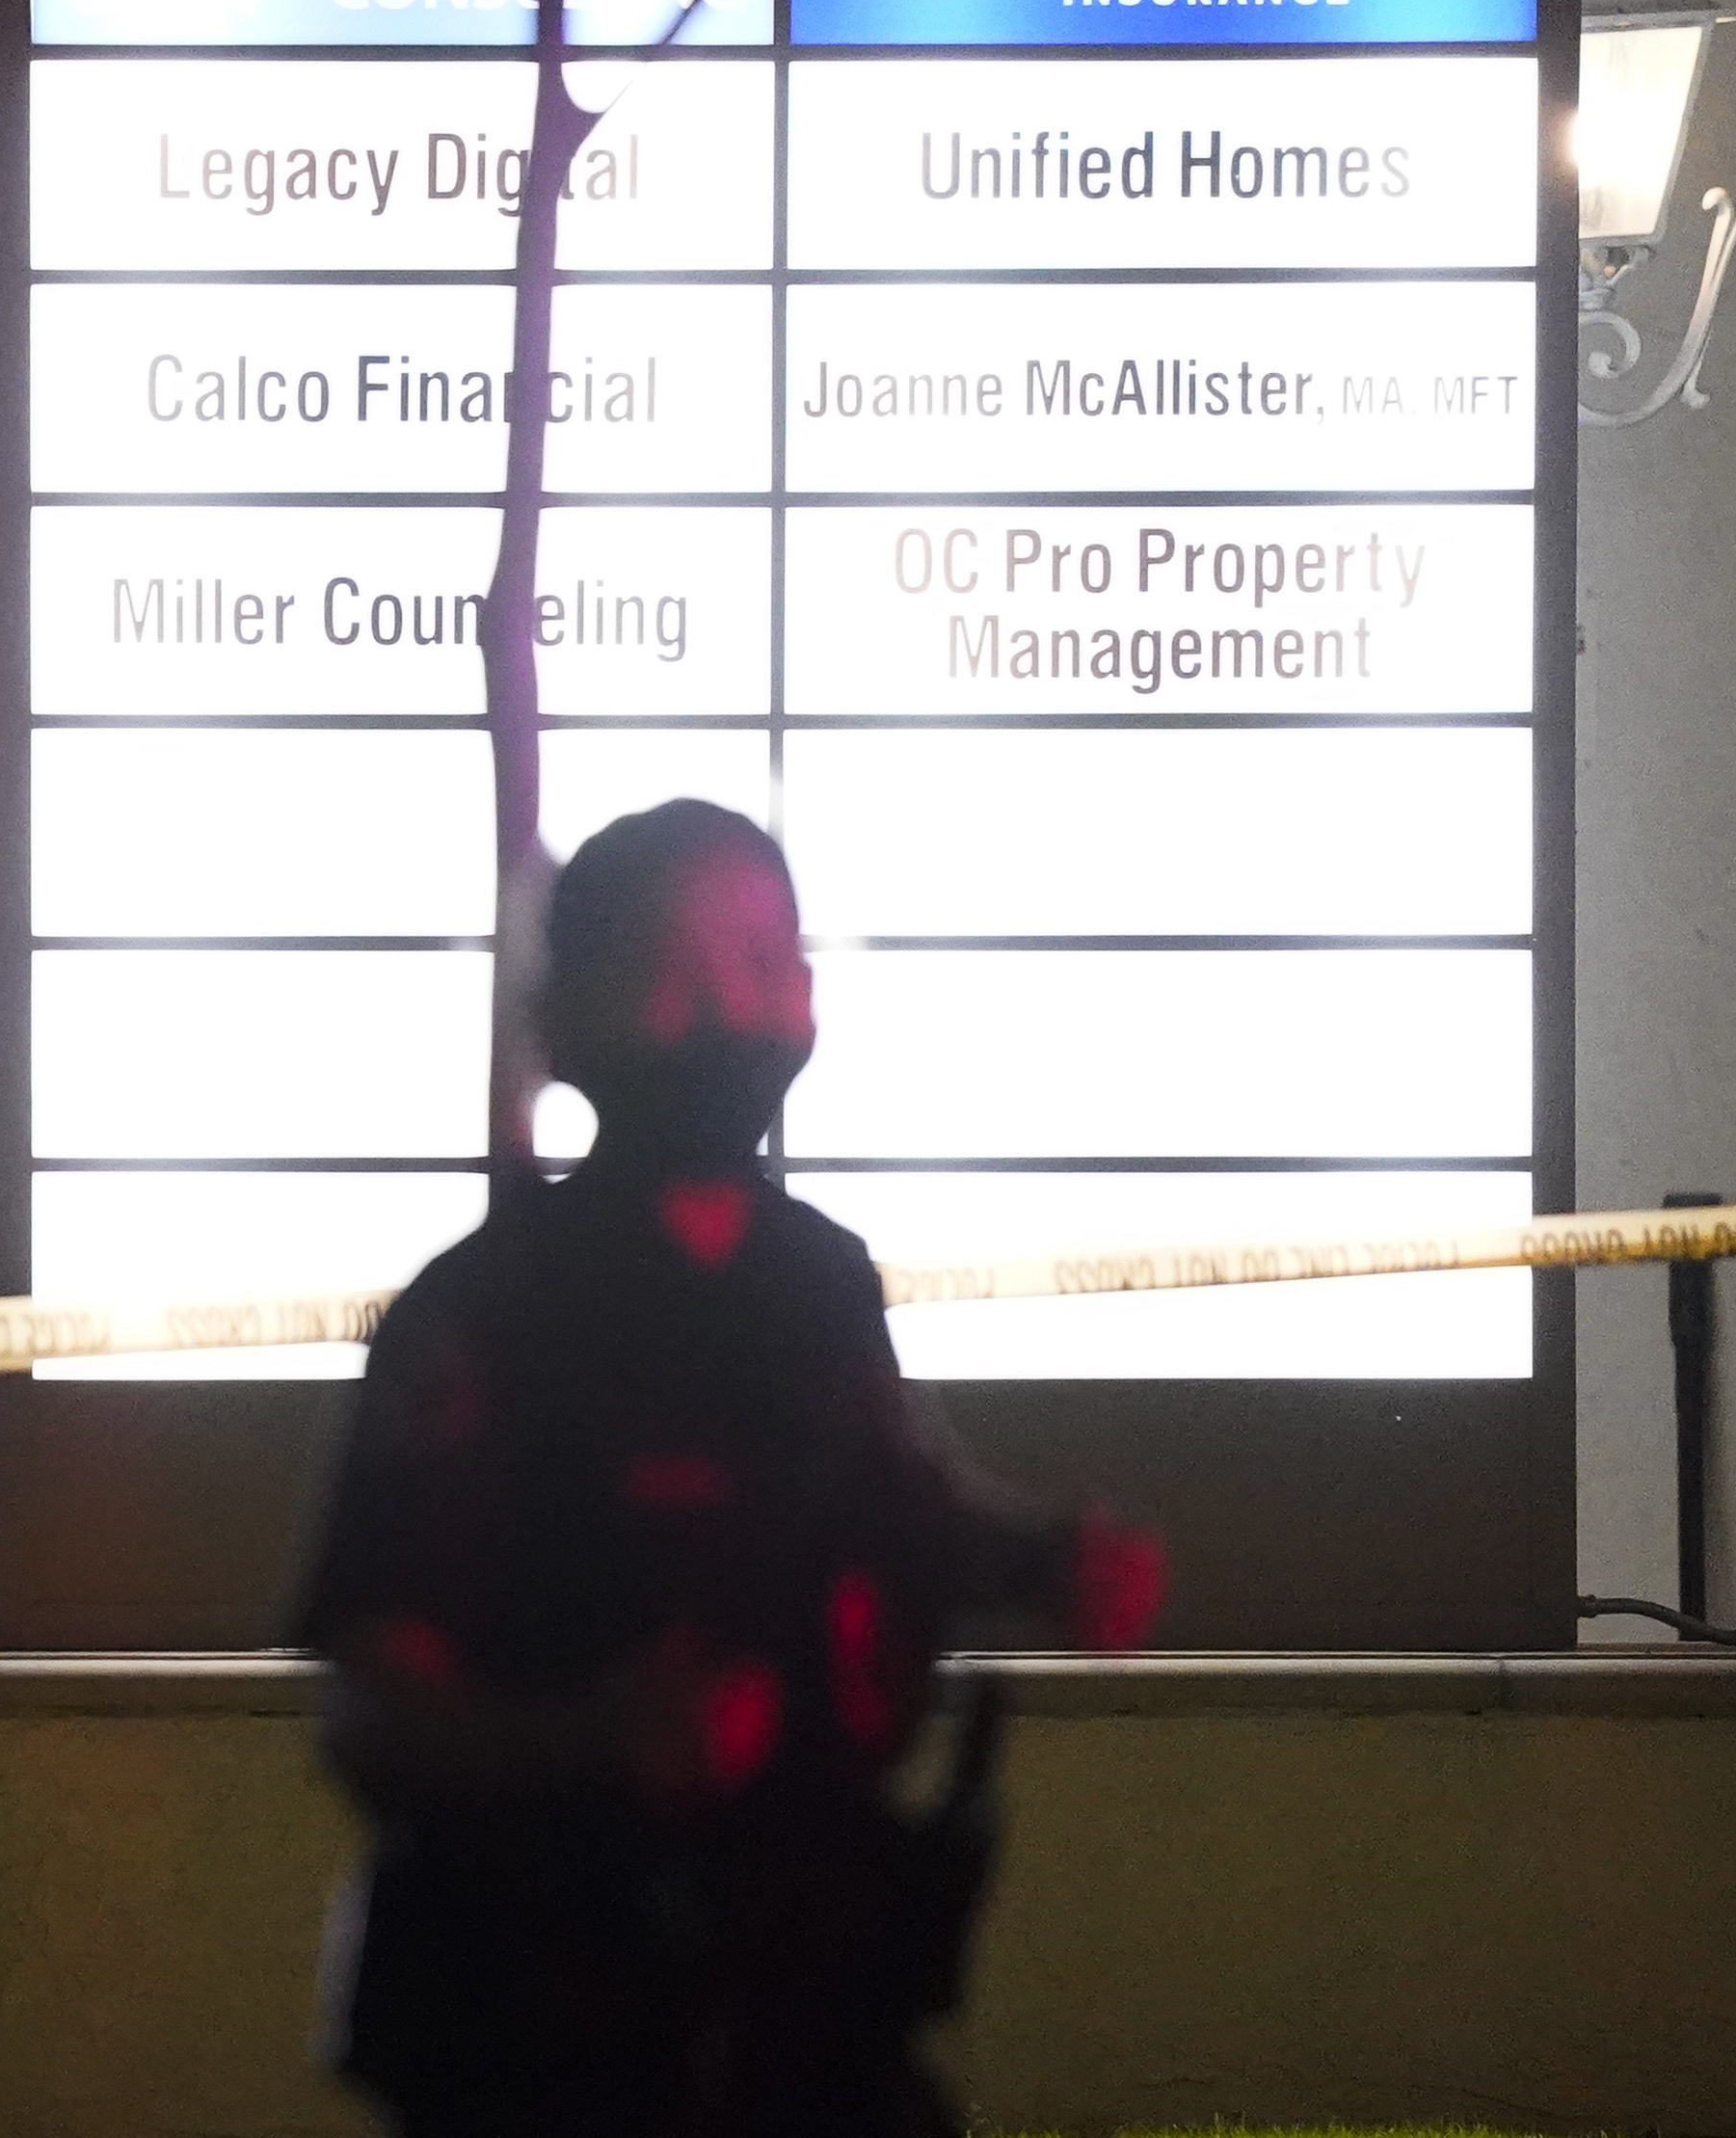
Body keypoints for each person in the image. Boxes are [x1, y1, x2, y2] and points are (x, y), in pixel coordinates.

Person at [296, 798, 1164, 2138]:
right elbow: (368, 1700)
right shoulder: (481, 1311)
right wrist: (586, 1736)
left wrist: (1043, 1557)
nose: (730, 1008)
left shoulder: (815, 1279)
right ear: (573, 1008)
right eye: (679, 967)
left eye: (764, 961)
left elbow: (897, 1506)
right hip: (534, 2019)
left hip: (804, 1998)